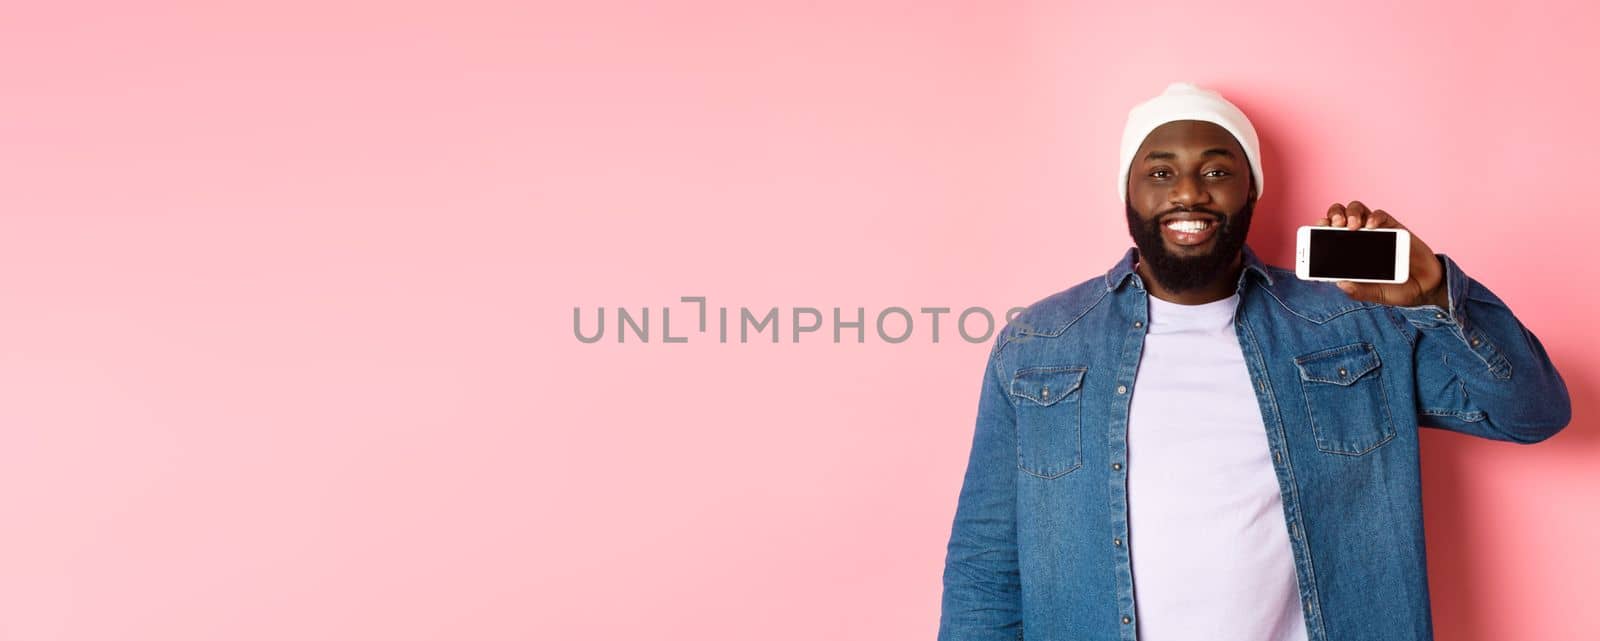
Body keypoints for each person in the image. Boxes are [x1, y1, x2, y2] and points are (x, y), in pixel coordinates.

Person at [936, 81, 1571, 641]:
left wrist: (1432, 292)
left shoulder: (1353, 324)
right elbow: (986, 563)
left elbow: (1532, 413)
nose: (1189, 191)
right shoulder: (1042, 343)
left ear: (1252, 190)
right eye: (1160, 172)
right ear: (1126, 192)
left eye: (1217, 171)